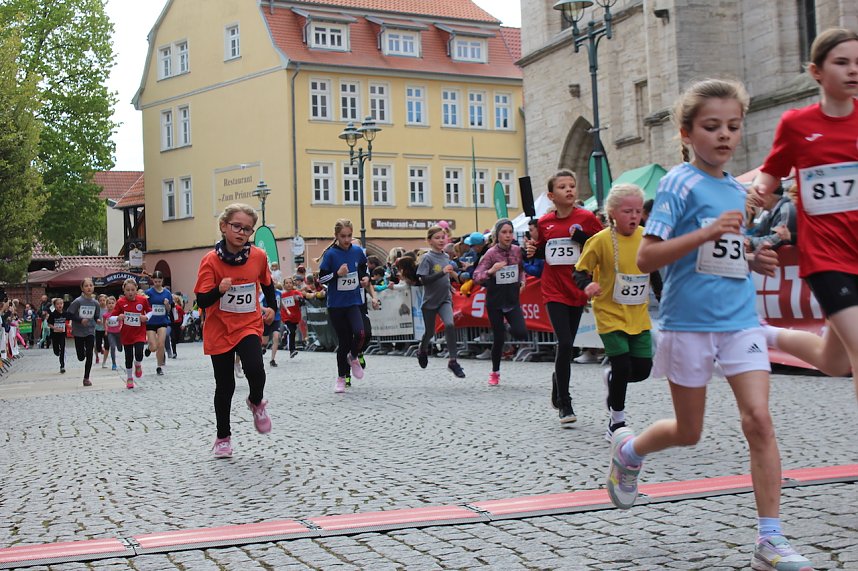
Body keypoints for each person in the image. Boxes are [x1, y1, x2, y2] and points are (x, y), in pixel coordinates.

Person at [606, 78, 813, 571]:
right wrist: (708, 232)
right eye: (712, 126)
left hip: (740, 321)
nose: (724, 136)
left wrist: (750, 257)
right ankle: (630, 451)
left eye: (733, 127)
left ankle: (770, 540)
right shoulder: (679, 182)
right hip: (688, 324)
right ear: (686, 132)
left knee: (759, 422)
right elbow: (649, 258)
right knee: (689, 431)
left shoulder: (734, 191)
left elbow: (721, 253)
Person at [752, 28, 858, 403]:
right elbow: (772, 169)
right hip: (827, 258)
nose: (852, 70)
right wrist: (758, 192)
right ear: (816, 71)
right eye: (841, 62)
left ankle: (766, 335)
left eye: (857, 62)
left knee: (835, 361)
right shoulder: (797, 124)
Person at [573, 184, 654, 440]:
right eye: (627, 210)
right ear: (612, 213)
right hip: (609, 312)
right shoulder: (600, 241)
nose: (633, 216)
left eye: (638, 211)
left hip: (638, 314)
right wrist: (588, 284)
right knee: (621, 365)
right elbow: (578, 271)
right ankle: (616, 422)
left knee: (642, 369)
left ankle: (612, 378)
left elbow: (657, 271)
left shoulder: (648, 237)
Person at [194, 203, 276, 458]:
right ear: (224, 226)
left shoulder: (258, 257)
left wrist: (271, 307)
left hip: (248, 322)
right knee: (225, 384)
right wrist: (218, 290)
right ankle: (223, 437)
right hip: (219, 327)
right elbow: (201, 300)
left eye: (247, 229)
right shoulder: (210, 261)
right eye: (237, 226)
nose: (242, 233)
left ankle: (256, 401)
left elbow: (268, 283)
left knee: (255, 367)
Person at [524, 169, 603, 425]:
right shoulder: (545, 222)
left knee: (565, 345)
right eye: (562, 187)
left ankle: (556, 385)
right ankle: (565, 404)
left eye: (572, 185)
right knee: (566, 342)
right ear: (551, 195)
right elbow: (541, 254)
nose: (569, 190)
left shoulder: (587, 217)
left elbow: (601, 244)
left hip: (576, 287)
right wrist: (532, 249)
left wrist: (581, 237)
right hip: (553, 288)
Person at [473, 218, 527, 386]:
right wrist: (491, 271)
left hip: (512, 299)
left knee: (521, 332)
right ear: (497, 235)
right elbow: (477, 276)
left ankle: (508, 327)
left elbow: (521, 268)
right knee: (499, 339)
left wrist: (522, 280)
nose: (508, 235)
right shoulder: (490, 253)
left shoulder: (517, 250)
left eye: (510, 232)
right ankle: (495, 372)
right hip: (495, 301)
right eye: (504, 232)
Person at [317, 219, 367, 393]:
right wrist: (337, 274)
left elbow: (362, 268)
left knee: (361, 333)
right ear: (336, 236)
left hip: (353, 301)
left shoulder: (357, 251)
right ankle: (340, 378)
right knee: (344, 341)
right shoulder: (331, 254)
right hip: (337, 305)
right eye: (343, 236)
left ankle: (353, 357)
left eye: (349, 236)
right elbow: (321, 279)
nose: (347, 240)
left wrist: (364, 278)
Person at [415, 225, 466, 378]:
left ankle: (453, 361)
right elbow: (424, 280)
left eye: (442, 237)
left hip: (445, 300)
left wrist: (449, 285)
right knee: (430, 332)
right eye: (437, 238)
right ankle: (422, 349)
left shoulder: (446, 257)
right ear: (429, 241)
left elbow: (446, 276)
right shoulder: (427, 258)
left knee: (450, 325)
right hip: (430, 301)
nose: (441, 240)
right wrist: (442, 273)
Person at [114, 278, 151, 388]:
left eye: (132, 290)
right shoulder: (120, 302)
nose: (130, 292)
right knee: (128, 356)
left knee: (139, 352)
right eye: (128, 290)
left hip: (139, 332)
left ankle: (138, 364)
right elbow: (112, 316)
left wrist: (146, 317)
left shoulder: (142, 300)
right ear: (124, 291)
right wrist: (118, 317)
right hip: (126, 333)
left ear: (136, 290)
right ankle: (129, 378)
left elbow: (150, 311)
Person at [67, 278, 102, 387]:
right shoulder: (78, 301)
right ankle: (83, 353)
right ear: (82, 288)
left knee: (90, 354)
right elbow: (69, 314)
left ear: (93, 287)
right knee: (81, 357)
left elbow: (96, 315)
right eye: (86, 286)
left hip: (90, 330)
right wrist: (80, 320)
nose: (89, 287)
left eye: (91, 285)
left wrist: (97, 320)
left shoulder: (95, 303)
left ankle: (86, 378)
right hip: (78, 331)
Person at [747, 182, 798, 250]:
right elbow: (758, 233)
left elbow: (779, 238)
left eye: (759, 195)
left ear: (769, 193)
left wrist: (750, 243)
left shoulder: (785, 208)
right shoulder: (770, 213)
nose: (756, 198)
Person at [144, 270, 173, 376]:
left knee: (161, 344)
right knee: (154, 346)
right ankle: (149, 348)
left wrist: (166, 305)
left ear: (162, 281)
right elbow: (144, 306)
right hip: (151, 322)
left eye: (159, 281)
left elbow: (169, 309)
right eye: (155, 281)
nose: (157, 283)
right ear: (152, 281)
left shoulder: (167, 293)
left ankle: (159, 366)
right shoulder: (148, 293)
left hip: (162, 321)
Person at [279, 277, 303, 359]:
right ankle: (292, 350)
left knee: (292, 331)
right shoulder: (281, 295)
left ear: (293, 284)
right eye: (287, 283)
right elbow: (279, 304)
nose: (288, 284)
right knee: (292, 331)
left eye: (290, 283)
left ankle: (285, 336)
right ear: (284, 285)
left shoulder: (295, 292)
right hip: (286, 317)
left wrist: (299, 299)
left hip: (295, 317)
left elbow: (301, 299)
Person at [260, 282, 282, 367]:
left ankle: (272, 359)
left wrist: (285, 310)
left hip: (277, 318)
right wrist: (265, 310)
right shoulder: (264, 294)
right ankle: (263, 347)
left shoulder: (279, 293)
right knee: (264, 341)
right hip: (267, 318)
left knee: (276, 337)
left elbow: (280, 303)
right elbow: (258, 303)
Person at [46, 298, 69, 373]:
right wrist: (56, 328)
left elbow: (70, 318)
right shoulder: (53, 314)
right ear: (55, 305)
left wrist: (70, 324)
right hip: (54, 334)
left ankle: (62, 366)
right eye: (58, 304)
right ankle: (57, 352)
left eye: (61, 304)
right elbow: (49, 324)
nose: (60, 305)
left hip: (62, 334)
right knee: (56, 351)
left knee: (62, 349)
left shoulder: (65, 313)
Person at [104, 296, 122, 371]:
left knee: (119, 348)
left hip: (118, 333)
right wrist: (106, 330)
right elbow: (104, 323)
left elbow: (121, 321)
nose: (111, 305)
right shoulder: (105, 315)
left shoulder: (118, 313)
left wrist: (121, 327)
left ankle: (120, 346)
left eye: (112, 303)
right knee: (112, 347)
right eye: (109, 303)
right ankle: (114, 363)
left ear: (115, 304)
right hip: (110, 333)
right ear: (107, 305)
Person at [94, 294, 109, 367]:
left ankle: (104, 361)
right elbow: (94, 317)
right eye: (100, 300)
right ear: (98, 301)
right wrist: (97, 320)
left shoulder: (108, 309)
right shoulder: (97, 308)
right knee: (97, 345)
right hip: (98, 329)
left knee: (107, 345)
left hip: (106, 329)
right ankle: (97, 355)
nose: (102, 302)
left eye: (104, 300)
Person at [169, 294, 184, 359]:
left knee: (177, 338)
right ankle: (174, 352)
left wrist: (183, 324)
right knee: (173, 338)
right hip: (171, 324)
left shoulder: (178, 307)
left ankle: (175, 342)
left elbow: (183, 315)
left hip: (178, 324)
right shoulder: (169, 307)